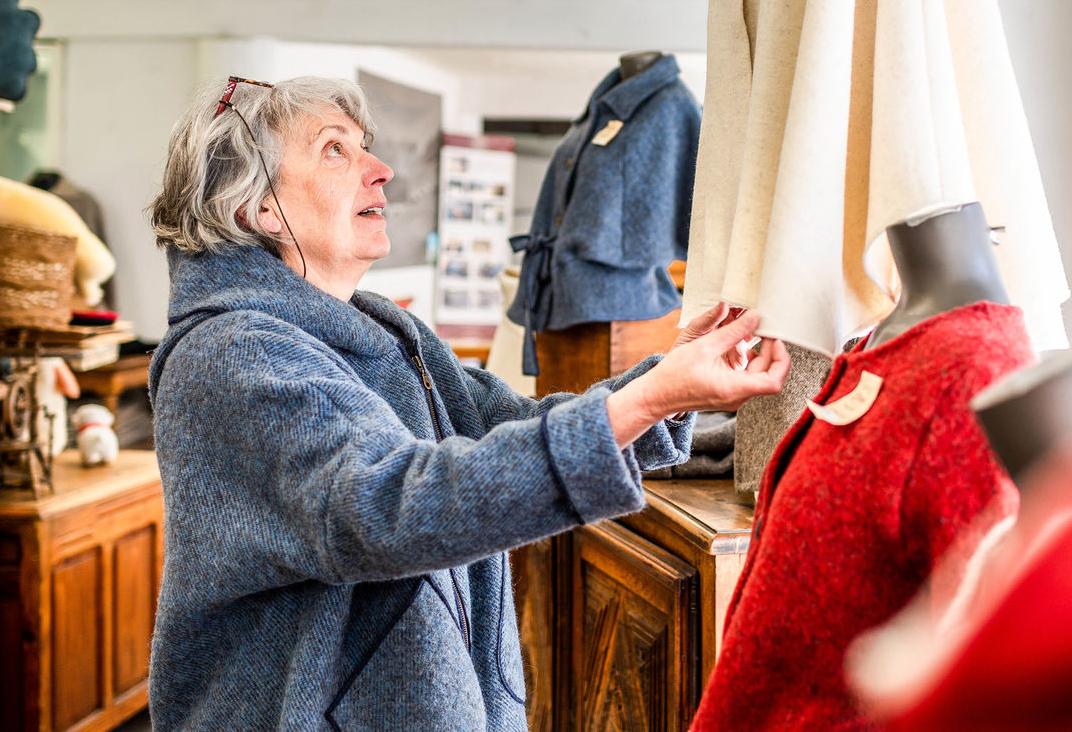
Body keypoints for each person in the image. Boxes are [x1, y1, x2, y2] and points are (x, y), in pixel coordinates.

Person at [144, 75, 790, 730]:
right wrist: (653, 395)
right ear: (257, 207)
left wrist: (668, 387)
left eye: (363, 144)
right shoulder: (231, 354)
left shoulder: (382, 327)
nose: (380, 169)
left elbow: (515, 424)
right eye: (335, 149)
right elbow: (390, 505)